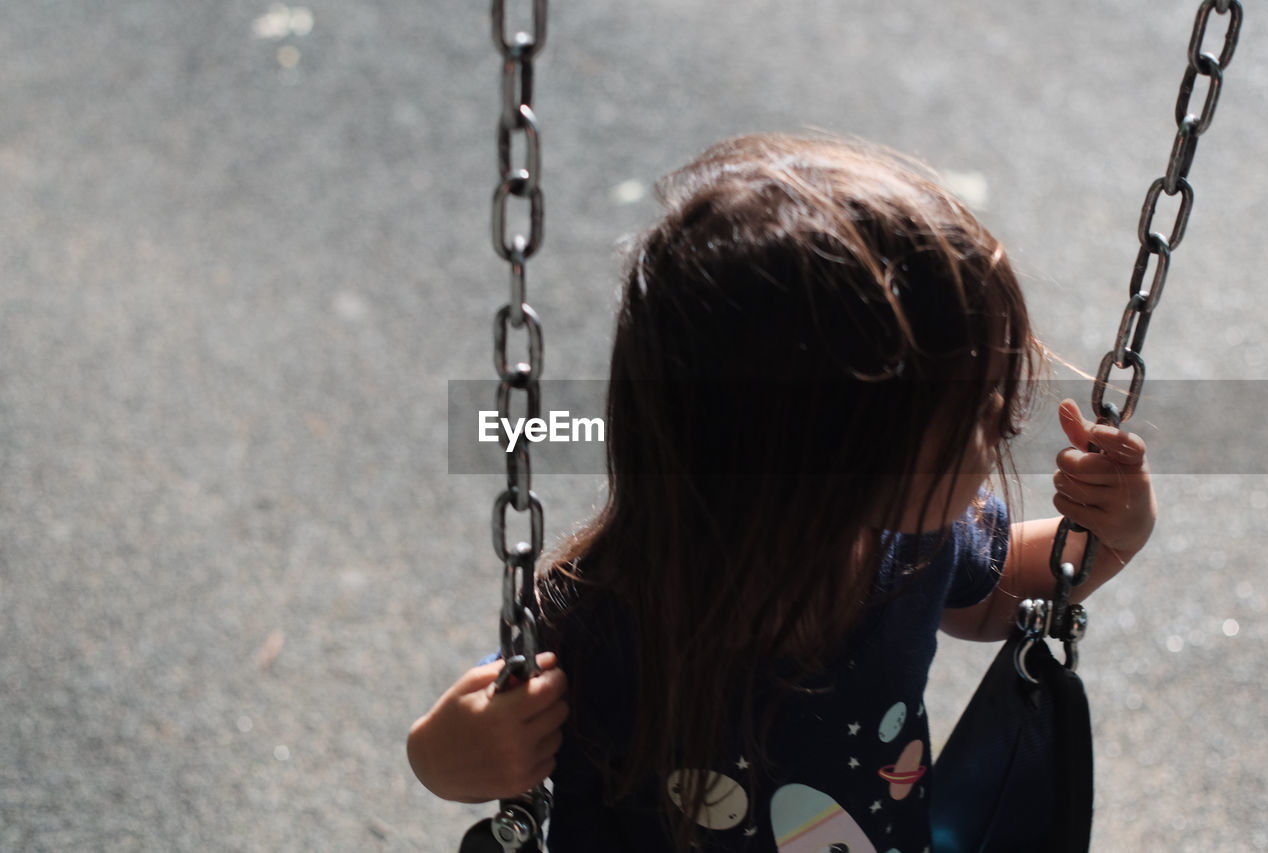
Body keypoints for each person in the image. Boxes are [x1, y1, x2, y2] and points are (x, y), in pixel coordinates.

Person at [407, 133, 1156, 851]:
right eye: (973, 404)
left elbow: (1006, 595)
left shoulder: (906, 544)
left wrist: (1112, 533)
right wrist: (442, 756)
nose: (1005, 418)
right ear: (830, 453)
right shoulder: (608, 616)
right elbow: (484, 738)